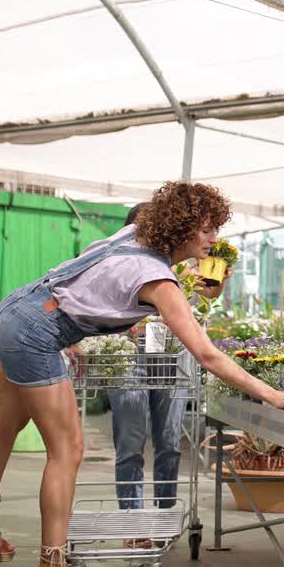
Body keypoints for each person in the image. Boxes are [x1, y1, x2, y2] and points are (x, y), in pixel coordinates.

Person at [0, 182, 284, 567]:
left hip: (18, 310)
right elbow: (206, 354)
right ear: (184, 228)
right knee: (68, 448)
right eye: (206, 230)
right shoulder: (157, 281)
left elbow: (99, 277)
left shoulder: (133, 237)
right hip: (37, 333)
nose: (214, 239)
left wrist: (202, 276)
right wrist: (269, 394)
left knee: (8, 422)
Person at [106, 202, 230, 547]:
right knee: (130, 442)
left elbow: (207, 291)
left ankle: (162, 519)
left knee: (170, 442)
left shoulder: (177, 264)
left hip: (171, 353)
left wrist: (216, 280)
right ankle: (134, 525)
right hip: (128, 356)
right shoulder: (117, 262)